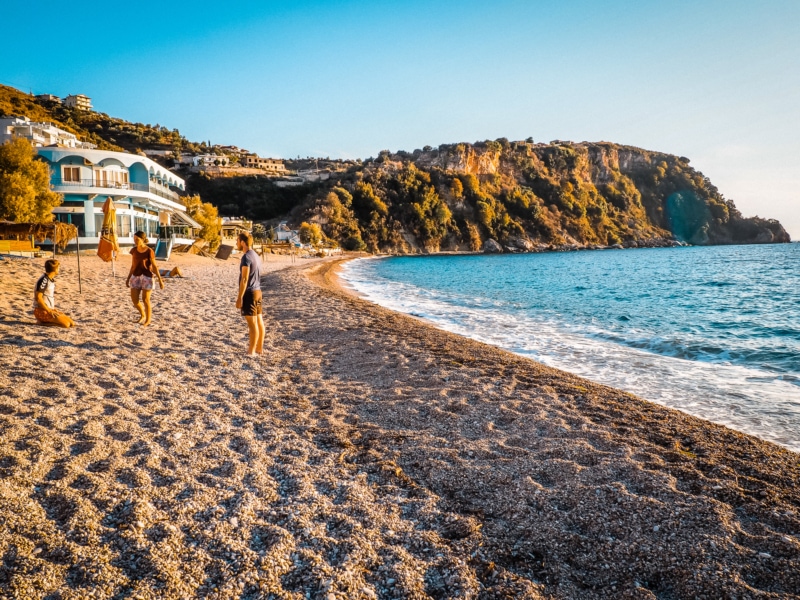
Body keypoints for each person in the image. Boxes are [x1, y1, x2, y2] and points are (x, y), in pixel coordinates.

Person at [125, 231, 164, 327]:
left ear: (142, 239)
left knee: (145, 300)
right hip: (135, 276)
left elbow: (154, 266)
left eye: (137, 239)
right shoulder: (133, 250)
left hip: (147, 277)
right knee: (134, 300)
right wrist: (128, 277)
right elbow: (133, 265)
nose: (135, 241)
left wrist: (160, 280)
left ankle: (147, 320)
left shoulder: (149, 251)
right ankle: (142, 315)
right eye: (134, 239)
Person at [235, 232, 265, 355]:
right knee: (259, 322)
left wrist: (239, 297)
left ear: (243, 242)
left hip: (250, 293)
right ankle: (259, 349)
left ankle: (251, 351)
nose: (236, 243)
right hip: (258, 291)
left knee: (252, 325)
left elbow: (244, 279)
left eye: (237, 240)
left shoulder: (246, 257)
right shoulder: (256, 255)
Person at [33, 259, 75, 328]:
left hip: (50, 309)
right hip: (42, 310)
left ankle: (49, 320)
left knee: (71, 323)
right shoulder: (44, 280)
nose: (59, 269)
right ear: (55, 269)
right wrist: (49, 311)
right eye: (58, 268)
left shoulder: (49, 279)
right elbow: (38, 298)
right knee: (65, 325)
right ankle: (41, 323)